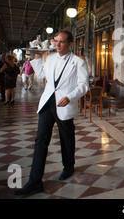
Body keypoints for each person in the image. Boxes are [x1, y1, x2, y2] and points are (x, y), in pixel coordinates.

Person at [13, 30, 89, 196]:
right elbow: (41, 75)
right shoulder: (51, 58)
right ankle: (34, 181)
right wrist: (37, 57)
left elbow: (84, 85)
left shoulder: (78, 62)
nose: (57, 44)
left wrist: (70, 97)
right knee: (40, 141)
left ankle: (68, 166)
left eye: (61, 42)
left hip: (64, 104)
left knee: (67, 138)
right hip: (47, 103)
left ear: (70, 44)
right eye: (56, 41)